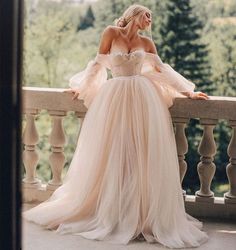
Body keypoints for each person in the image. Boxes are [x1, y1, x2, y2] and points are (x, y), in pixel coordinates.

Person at [23, 4, 210, 248]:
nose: (149, 20)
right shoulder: (111, 33)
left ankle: (137, 212)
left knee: (139, 154)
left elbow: (161, 70)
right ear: (134, 14)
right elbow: (98, 64)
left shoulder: (147, 44)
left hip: (142, 100)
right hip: (115, 97)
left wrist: (188, 91)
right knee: (111, 152)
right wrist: (80, 88)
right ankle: (111, 210)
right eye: (147, 14)